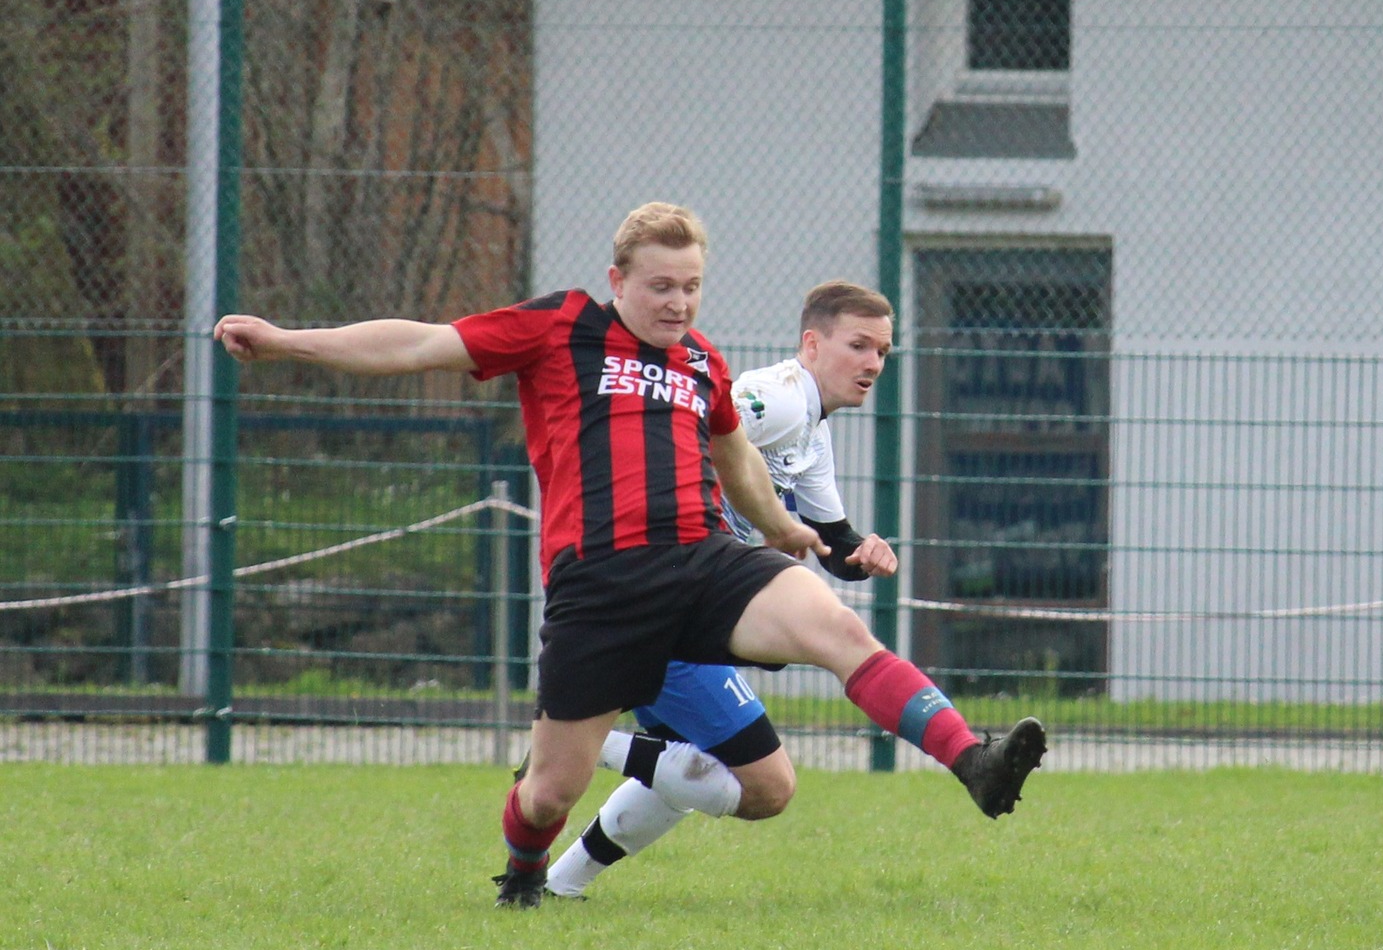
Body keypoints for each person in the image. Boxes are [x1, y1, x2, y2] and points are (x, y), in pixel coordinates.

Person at [213, 201, 1047, 908]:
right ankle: (528, 874)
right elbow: (418, 343)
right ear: (618, 282)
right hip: (601, 584)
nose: (678, 303)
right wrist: (288, 341)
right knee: (548, 794)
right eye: (660, 287)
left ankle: (971, 760)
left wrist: (789, 535)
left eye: (690, 287)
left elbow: (736, 459)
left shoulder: (700, 362)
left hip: (701, 561)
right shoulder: (561, 325)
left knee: (836, 630)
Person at [546, 279, 909, 900]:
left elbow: (831, 543)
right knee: (766, 788)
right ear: (812, 344)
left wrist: (864, 555)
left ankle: (561, 885)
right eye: (859, 346)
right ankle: (570, 743)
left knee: (692, 763)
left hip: (683, 604)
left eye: (883, 351)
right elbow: (700, 421)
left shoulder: (812, 433)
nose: (873, 363)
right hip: (674, 602)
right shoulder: (781, 399)